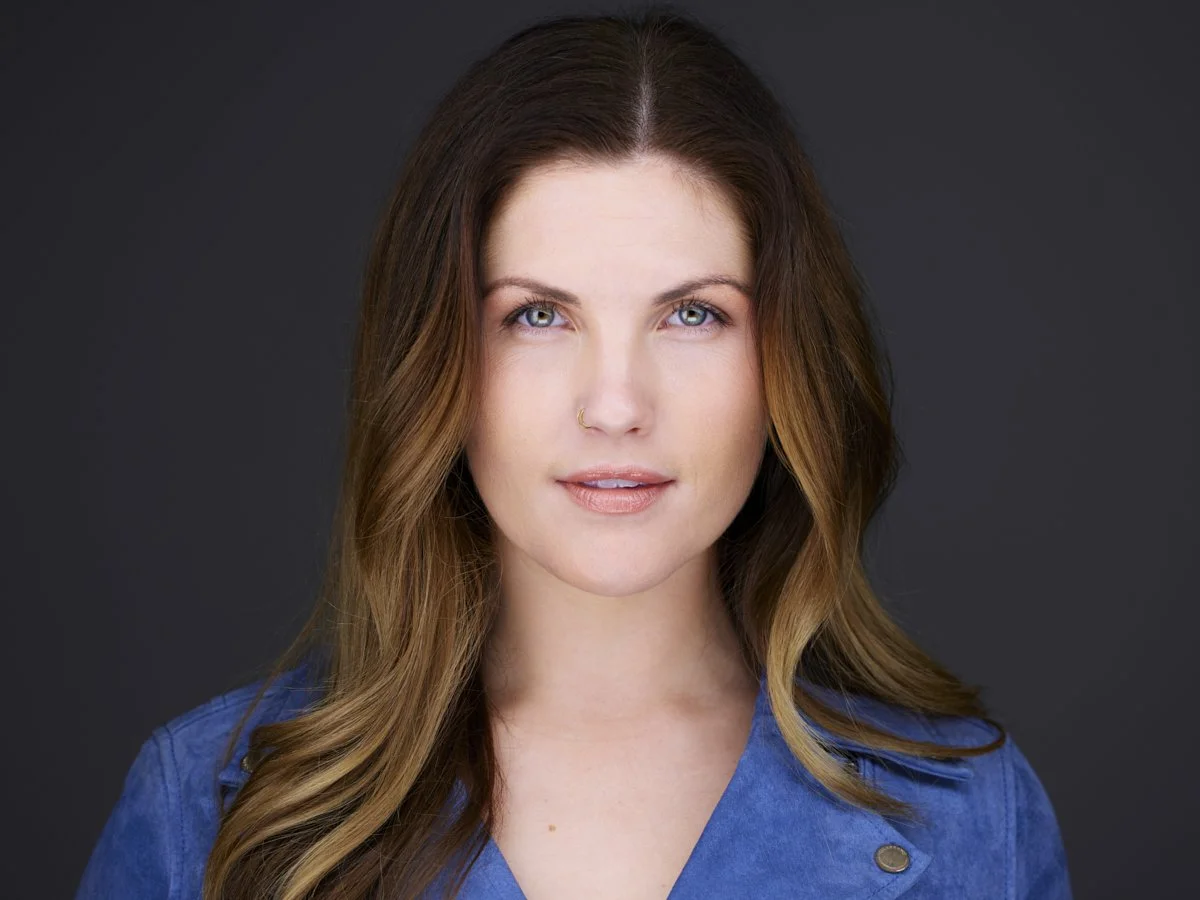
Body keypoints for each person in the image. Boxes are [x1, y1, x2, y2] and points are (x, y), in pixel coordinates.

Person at [75, 5, 1072, 899]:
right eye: (541, 314)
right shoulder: (208, 812)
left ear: (786, 360)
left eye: (691, 313)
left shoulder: (970, 818)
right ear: (439, 360)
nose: (615, 404)